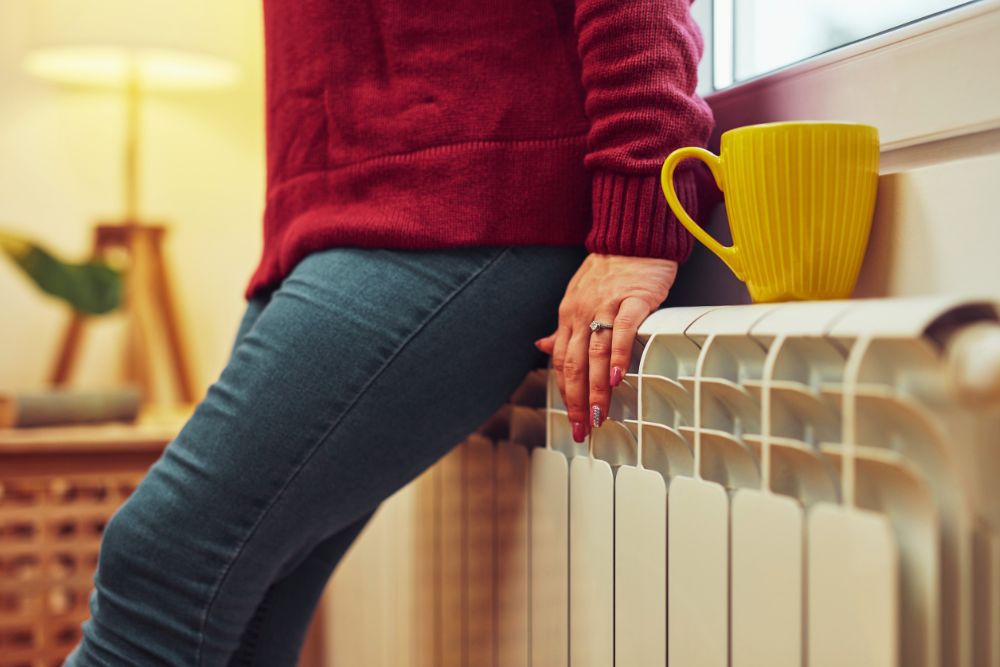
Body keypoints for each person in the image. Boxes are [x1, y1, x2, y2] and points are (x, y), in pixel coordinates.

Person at [64, 0, 712, 663]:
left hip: (469, 192)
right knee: (247, 616)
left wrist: (644, 189)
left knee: (159, 564)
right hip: (335, 214)